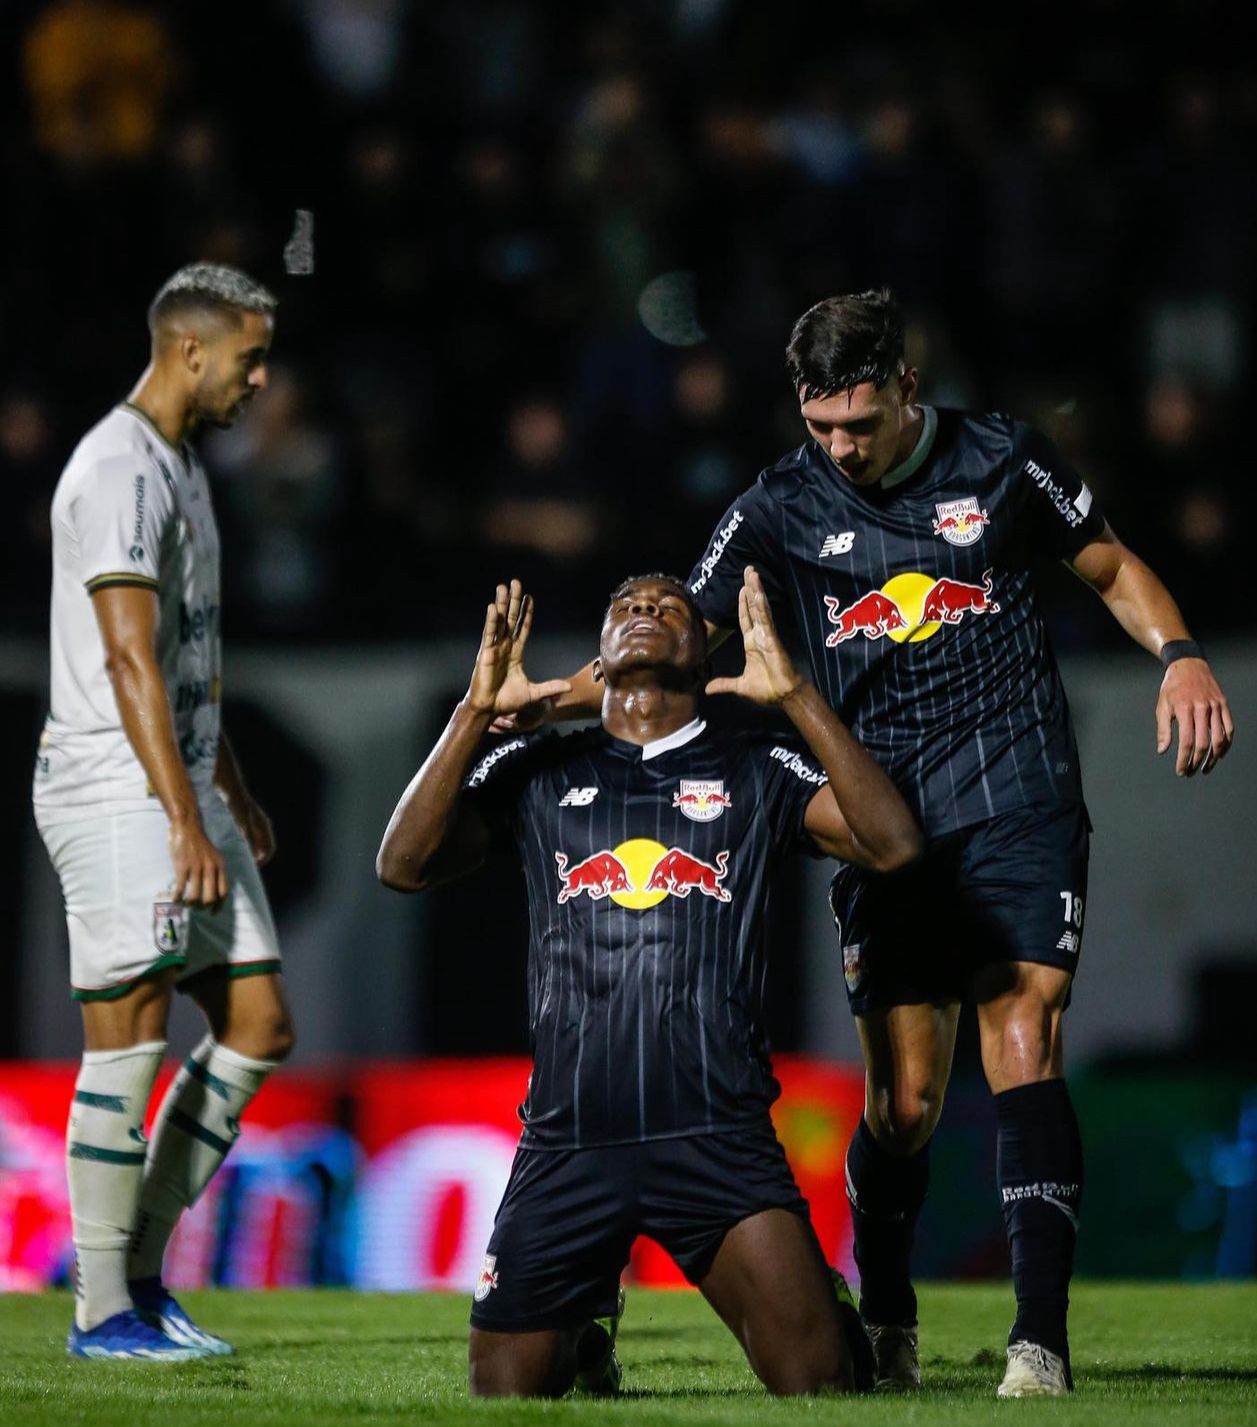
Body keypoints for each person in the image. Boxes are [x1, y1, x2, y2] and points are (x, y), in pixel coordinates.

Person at [511, 289, 1235, 1397]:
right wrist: (550, 698)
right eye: (821, 427)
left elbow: (1109, 563)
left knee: (1025, 1027)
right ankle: (889, 1305)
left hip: (1017, 792)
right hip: (881, 825)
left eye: (859, 422)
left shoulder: (1005, 458)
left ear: (907, 383)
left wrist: (1179, 650)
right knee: (904, 1105)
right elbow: (671, 641)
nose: (841, 447)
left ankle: (1039, 1340)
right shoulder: (779, 505)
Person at [377, 571, 922, 1398]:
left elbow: (893, 846)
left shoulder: (755, 764)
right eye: (624, 605)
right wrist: (473, 714)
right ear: (597, 653)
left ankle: (828, 1315)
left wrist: (798, 696)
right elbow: (402, 864)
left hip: (716, 1133)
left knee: (822, 1387)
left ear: (704, 649)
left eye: (668, 606)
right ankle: (585, 1336)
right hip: (568, 1137)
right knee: (504, 1398)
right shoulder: (537, 766)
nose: (642, 611)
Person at [33, 263, 296, 1360]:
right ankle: (100, 1308)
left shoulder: (179, 465)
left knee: (258, 1022)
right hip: (115, 782)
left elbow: (186, 659)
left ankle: (139, 1270)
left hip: (181, 780)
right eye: (249, 356)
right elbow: (129, 654)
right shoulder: (118, 467)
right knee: (130, 1031)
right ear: (191, 349)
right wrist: (186, 817)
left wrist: (224, 786)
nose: (260, 377)